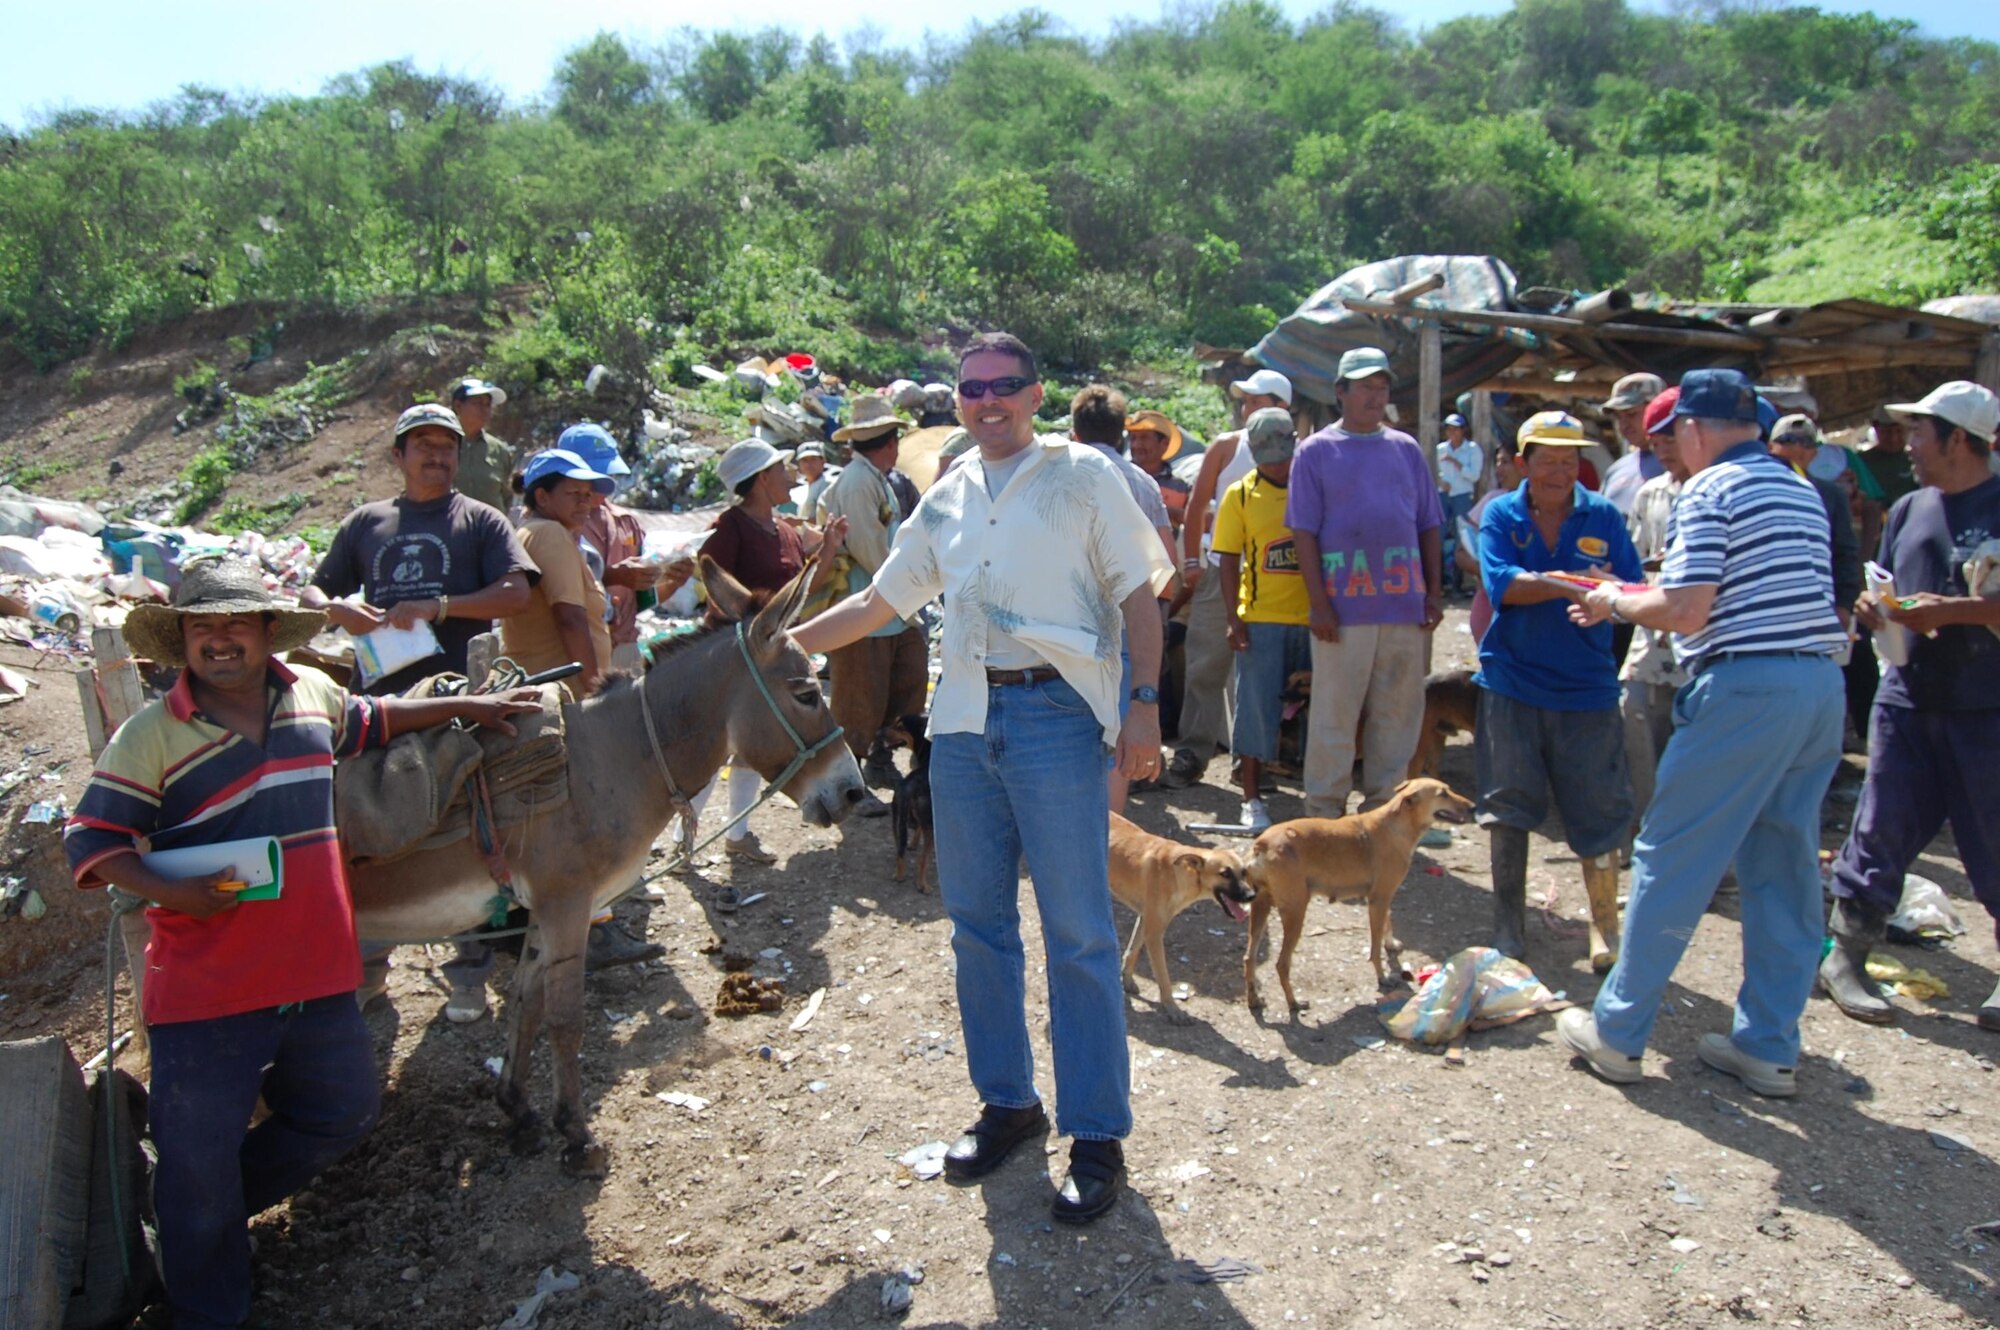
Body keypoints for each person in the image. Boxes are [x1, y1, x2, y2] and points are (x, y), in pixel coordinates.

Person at [63, 556, 538, 1330]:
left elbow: (371, 720)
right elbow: (90, 841)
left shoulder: (308, 693)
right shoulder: (150, 735)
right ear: (181, 639)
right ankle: (203, 1303)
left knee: (341, 1113)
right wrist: (173, 892)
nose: (219, 640)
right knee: (197, 1163)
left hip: (317, 975)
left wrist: (473, 704)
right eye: (201, 626)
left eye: (234, 623)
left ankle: (194, 1222)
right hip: (205, 990)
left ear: (264, 631)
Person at [794, 331, 1172, 1225]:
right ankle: (1009, 1105)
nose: (988, 401)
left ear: (1037, 394)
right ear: (955, 400)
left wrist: (1145, 705)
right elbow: (880, 603)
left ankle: (1095, 1134)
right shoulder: (950, 494)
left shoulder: (1085, 478)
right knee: (977, 927)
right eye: (973, 388)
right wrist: (780, 645)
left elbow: (1138, 597)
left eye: (1006, 386)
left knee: (1076, 931)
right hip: (961, 721)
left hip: (1056, 718)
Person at [1558, 369, 1848, 1097]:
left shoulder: (1711, 490)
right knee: (1783, 864)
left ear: (1691, 428)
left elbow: (1687, 610)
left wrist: (1612, 603)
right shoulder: (1798, 488)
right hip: (1818, 686)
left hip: (1746, 687)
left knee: (1670, 854)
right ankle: (1769, 1046)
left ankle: (1618, 1033)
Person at [1821, 381, 2000, 1033]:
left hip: (1987, 706)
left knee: (1994, 834)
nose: (1908, 445)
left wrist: (1957, 611)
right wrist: (1878, 616)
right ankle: (1844, 958)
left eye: (1921, 433)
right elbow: (1887, 594)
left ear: (1959, 439)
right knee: (1881, 826)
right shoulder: (1906, 509)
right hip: (1906, 699)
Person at [1473, 410, 1644, 967]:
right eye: (1547, 460)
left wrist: (1608, 596)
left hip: (1587, 689)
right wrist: (1574, 585)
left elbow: (1629, 589)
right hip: (1512, 682)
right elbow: (1503, 586)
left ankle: (1604, 930)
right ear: (1522, 463)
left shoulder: (1605, 516)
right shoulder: (1501, 514)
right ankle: (1508, 930)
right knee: (1507, 807)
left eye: (1569, 460)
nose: (1559, 471)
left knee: (1599, 809)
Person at [1287, 346, 1445, 817]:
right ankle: (1323, 816)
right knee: (1335, 715)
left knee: (1397, 718)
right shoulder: (1315, 451)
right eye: (1365, 387)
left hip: (1403, 605)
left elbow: (1429, 523)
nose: (1376, 396)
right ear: (1341, 392)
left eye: (1382, 387)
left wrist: (1433, 592)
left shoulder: (1405, 448)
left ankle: (1383, 815)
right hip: (1344, 609)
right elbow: (1303, 532)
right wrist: (1319, 604)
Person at [303, 402, 536, 696]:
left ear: (458, 456)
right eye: (425, 446)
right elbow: (310, 597)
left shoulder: (482, 520)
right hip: (379, 702)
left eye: (447, 447)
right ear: (398, 455)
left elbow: (516, 595)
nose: (437, 456)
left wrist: (437, 607)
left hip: (460, 696)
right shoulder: (366, 522)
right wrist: (338, 610)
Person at [702, 437, 847, 864]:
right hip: (736, 660)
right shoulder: (729, 528)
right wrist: (755, 628)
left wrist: (830, 549)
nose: (791, 475)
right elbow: (714, 588)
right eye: (783, 468)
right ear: (763, 478)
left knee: (755, 745)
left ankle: (737, 833)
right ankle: (684, 838)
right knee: (712, 750)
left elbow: (802, 589)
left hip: (772, 661)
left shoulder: (783, 528)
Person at [1174, 369, 1294, 788]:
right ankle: (1192, 751)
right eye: (1245, 401)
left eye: (1258, 401)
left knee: (1263, 671)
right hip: (1219, 564)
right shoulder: (1226, 445)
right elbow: (1195, 503)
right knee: (1206, 660)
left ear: (1282, 406)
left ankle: (1254, 760)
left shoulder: (1301, 453)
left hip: (1275, 572)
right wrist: (1191, 561)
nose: (1247, 408)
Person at [816, 394, 928, 811]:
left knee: (902, 685)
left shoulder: (876, 478)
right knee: (858, 699)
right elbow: (869, 547)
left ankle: (879, 760)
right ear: (888, 443)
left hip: (890, 611)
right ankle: (850, 786)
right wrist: (903, 588)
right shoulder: (858, 482)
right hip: (867, 610)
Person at [1069, 386, 1177, 812]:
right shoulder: (1143, 484)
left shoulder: (1061, 474)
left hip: (1069, 628)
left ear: (1075, 431)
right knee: (1116, 740)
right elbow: (1166, 574)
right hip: (1128, 627)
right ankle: (1110, 839)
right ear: (1121, 434)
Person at [1213, 407, 1309, 832]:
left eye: (1282, 452)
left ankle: (1318, 797)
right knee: (1254, 709)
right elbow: (1228, 559)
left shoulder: (1313, 486)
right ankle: (1251, 797)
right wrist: (1234, 618)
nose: (1277, 462)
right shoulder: (1240, 494)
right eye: (1266, 454)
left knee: (1314, 710)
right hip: (1261, 617)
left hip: (1313, 617)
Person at [1619, 388, 1692, 847]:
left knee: (1691, 755)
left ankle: (1696, 851)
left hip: (1698, 649)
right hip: (1650, 644)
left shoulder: (1717, 489)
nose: (1663, 449)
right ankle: (1651, 840)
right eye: (1656, 441)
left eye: (1671, 439)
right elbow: (1635, 562)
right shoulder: (1652, 494)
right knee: (1638, 734)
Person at [501, 449, 620, 699]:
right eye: (574, 493)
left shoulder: (531, 532)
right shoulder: (550, 534)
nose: (584, 502)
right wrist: (595, 690)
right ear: (542, 497)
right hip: (562, 695)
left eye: (587, 494)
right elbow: (570, 618)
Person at [1767, 413, 1862, 642]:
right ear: (1771, 447)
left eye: (1807, 442)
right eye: (1788, 440)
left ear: (1815, 452)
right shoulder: (1759, 489)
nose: (1798, 447)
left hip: (1818, 609)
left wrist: (1844, 605)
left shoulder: (1831, 495)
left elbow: (1845, 553)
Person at [1458, 442, 1523, 643]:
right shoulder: (1492, 502)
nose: (1499, 469)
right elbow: (1461, 552)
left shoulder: (1542, 507)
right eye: (1498, 462)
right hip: (1488, 600)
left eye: (1506, 462)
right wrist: (1487, 571)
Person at [1598, 372, 1668, 516]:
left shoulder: (1680, 463)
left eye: (1631, 414)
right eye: (1618, 417)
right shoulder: (1615, 471)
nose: (1624, 425)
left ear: (1658, 409)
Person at [449, 377, 518, 514]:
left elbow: (507, 495)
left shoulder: (499, 450)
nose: (485, 409)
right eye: (477, 403)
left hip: (490, 532)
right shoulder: (441, 445)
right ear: (458, 406)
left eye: (487, 404)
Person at [1436, 412, 1483, 594]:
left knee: (1461, 538)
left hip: (1463, 495)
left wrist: (1455, 461)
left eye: (1455, 429)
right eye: (1448, 429)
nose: (1451, 432)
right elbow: (1434, 472)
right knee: (1437, 536)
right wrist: (1440, 483)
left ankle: (1457, 585)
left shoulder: (1472, 449)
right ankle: (1438, 584)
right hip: (1444, 495)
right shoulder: (1440, 449)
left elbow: (1474, 475)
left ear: (1463, 431)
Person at [1126, 408, 1193, 536]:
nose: (1136, 445)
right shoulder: (1119, 477)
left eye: (1144, 438)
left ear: (1164, 444)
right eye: (1133, 438)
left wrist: (1164, 512)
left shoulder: (1182, 486)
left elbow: (1204, 521)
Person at [788, 439, 839, 519]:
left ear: (823, 461)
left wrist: (797, 521)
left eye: (813, 459)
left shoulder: (829, 485)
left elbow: (830, 519)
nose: (809, 464)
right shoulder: (799, 490)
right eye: (804, 460)